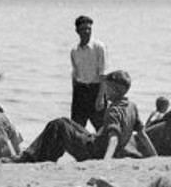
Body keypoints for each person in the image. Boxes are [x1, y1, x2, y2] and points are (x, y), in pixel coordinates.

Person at [13, 70, 153, 163]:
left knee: (58, 125)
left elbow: (114, 139)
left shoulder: (114, 111)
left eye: (107, 88)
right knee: (65, 121)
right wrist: (155, 156)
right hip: (95, 142)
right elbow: (142, 134)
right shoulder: (132, 106)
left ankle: (31, 158)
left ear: (115, 89)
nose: (104, 91)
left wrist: (105, 163)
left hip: (92, 151)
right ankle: (38, 156)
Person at [70, 15, 107, 130]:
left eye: (89, 29)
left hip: (96, 90)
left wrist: (101, 98)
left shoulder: (98, 47)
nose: (86, 32)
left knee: (102, 128)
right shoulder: (74, 51)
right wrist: (75, 95)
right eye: (83, 29)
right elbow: (75, 74)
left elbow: (103, 74)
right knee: (76, 129)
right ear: (77, 31)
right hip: (80, 91)